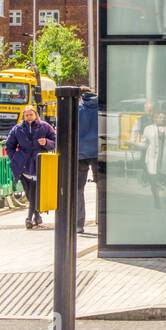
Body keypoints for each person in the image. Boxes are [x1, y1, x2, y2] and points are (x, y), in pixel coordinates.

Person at [5, 106, 56, 229]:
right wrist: (14, 158)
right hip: (23, 165)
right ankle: (37, 215)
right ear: (23, 116)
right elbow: (9, 145)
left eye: (31, 115)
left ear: (36, 115)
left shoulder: (45, 126)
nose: (28, 117)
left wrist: (47, 143)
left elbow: (55, 141)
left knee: (33, 192)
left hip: (39, 163)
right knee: (29, 193)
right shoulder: (17, 129)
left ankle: (29, 218)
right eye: (26, 115)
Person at [140, 110, 166, 208]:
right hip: (152, 159)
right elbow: (144, 144)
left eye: (164, 117)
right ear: (155, 118)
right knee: (153, 181)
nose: (162, 119)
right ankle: (157, 201)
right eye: (160, 117)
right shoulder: (148, 129)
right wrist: (134, 145)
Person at [75, 87, 99, 235]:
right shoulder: (101, 107)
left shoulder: (77, 108)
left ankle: (79, 224)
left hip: (80, 153)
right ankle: (105, 221)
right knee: (103, 189)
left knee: (78, 190)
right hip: (99, 152)